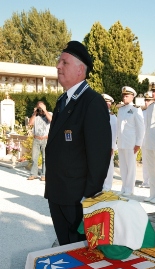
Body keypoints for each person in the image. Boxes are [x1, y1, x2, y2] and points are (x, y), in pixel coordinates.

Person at [44, 41, 112, 246]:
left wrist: (88, 200)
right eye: (59, 62)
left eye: (64, 62)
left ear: (80, 69)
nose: (58, 66)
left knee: (79, 252)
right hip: (58, 193)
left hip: (76, 199)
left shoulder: (92, 102)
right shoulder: (62, 101)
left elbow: (99, 157)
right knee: (66, 248)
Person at [117, 86, 144, 196]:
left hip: (131, 143)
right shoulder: (121, 109)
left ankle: (129, 189)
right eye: (123, 95)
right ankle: (124, 187)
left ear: (132, 96)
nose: (124, 97)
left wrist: (138, 143)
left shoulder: (136, 109)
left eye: (127, 96)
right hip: (122, 142)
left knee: (131, 167)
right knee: (123, 166)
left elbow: (141, 128)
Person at [27, 101, 52, 181]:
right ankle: (33, 174)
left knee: (45, 158)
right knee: (34, 158)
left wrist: (45, 110)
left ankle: (44, 174)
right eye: (39, 107)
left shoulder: (49, 113)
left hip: (45, 139)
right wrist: (34, 113)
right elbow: (30, 123)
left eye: (42, 107)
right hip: (36, 139)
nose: (40, 110)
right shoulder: (36, 115)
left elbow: (52, 120)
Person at [102, 93, 117, 192]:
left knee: (108, 165)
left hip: (107, 146)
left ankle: (107, 186)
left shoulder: (112, 117)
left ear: (109, 104)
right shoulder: (96, 114)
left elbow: (114, 133)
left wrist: (112, 147)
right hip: (97, 145)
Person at [140, 91, 154, 188]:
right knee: (145, 162)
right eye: (145, 100)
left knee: (152, 163)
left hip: (153, 142)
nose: (146, 102)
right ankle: (146, 181)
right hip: (144, 141)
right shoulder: (143, 112)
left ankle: (152, 182)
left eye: (148, 100)